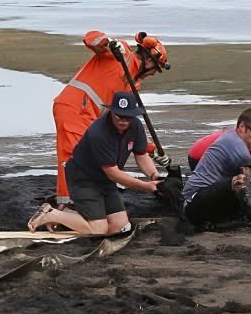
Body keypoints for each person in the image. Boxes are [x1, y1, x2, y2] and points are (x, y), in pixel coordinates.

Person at [51, 29, 169, 204]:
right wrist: (110, 43)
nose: (153, 74)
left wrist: (149, 150)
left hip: (91, 118)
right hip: (74, 107)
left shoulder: (133, 85)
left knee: (101, 153)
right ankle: (67, 205)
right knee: (73, 159)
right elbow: (90, 39)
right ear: (148, 60)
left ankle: (90, 197)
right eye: (155, 69)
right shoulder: (121, 53)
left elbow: (126, 125)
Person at [27, 92, 162, 235]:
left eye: (127, 117)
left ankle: (66, 213)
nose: (123, 121)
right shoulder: (98, 133)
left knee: (120, 227)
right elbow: (113, 173)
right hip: (84, 179)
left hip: (105, 181)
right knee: (99, 229)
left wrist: (154, 176)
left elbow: (141, 155)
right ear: (111, 112)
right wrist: (146, 187)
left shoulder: (136, 126)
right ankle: (51, 214)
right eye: (119, 116)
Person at [181, 106, 251, 231]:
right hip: (193, 203)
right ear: (242, 127)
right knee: (241, 181)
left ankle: (226, 221)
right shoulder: (237, 145)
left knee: (250, 182)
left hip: (210, 198)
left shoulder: (235, 138)